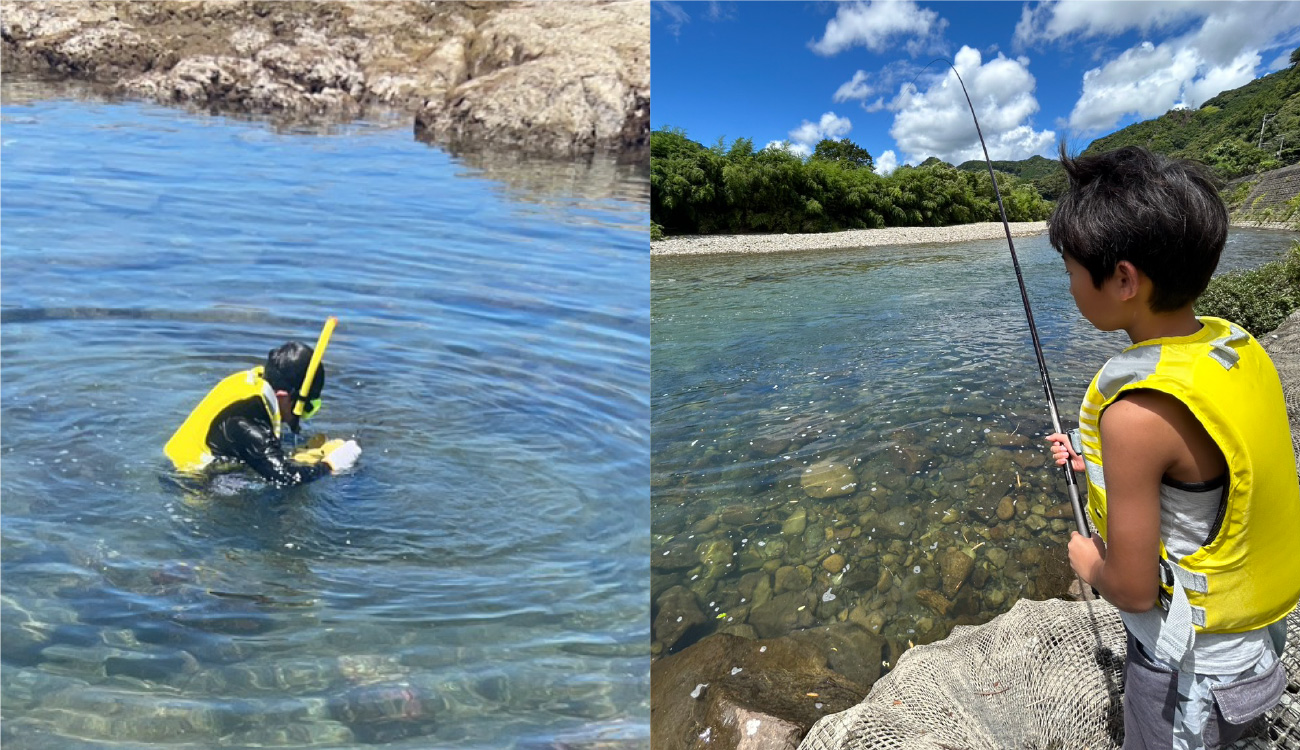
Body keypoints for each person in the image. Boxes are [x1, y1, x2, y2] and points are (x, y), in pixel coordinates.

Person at [1044, 145, 1298, 750]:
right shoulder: (1232, 348)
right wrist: (1090, 463)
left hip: (1191, 670)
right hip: (1258, 639)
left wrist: (1088, 563)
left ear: (1124, 279)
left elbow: (1131, 588)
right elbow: (1201, 479)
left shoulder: (1134, 416)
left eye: (1073, 270)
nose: (1071, 284)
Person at [165, 341, 361, 485]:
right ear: (283, 397)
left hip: (181, 470)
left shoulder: (254, 383)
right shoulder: (246, 424)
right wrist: (330, 465)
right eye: (307, 408)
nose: (302, 418)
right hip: (191, 485)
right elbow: (285, 479)